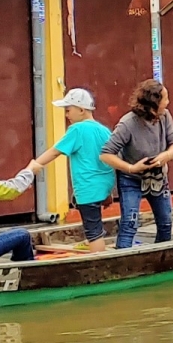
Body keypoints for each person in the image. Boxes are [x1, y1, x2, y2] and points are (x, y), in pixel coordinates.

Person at [100, 80, 173, 248]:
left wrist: (165, 156)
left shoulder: (165, 116)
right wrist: (132, 168)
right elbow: (106, 154)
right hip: (131, 179)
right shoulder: (128, 123)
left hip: (158, 177)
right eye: (165, 99)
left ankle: (162, 258)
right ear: (153, 103)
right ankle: (123, 261)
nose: (168, 102)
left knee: (166, 222)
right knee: (130, 223)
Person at [32, 88, 116, 243]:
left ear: (82, 110)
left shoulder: (76, 129)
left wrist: (35, 164)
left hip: (87, 189)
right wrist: (109, 192)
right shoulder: (104, 130)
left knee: (93, 234)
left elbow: (55, 151)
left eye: (68, 110)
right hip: (103, 187)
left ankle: (97, 259)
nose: (66, 115)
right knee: (94, 225)